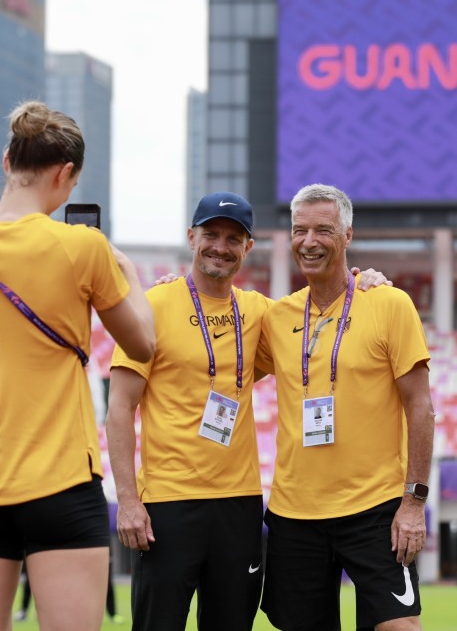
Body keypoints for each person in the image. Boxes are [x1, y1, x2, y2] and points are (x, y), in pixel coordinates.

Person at [0, 100, 155, 631]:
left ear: (7, 161)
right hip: (61, 482)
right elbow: (142, 344)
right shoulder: (84, 247)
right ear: (65, 174)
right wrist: (131, 278)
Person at [107, 191, 388, 631]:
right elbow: (119, 408)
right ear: (191, 237)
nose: (220, 247)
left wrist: (366, 280)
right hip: (167, 502)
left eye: (233, 239)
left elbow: (325, 321)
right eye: (211, 235)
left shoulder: (263, 313)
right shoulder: (154, 305)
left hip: (239, 505)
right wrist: (127, 500)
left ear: (248, 247)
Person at [257, 184, 434, 631]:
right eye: (300, 230)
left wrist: (414, 503)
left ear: (348, 235)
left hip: (375, 509)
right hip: (295, 513)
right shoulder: (276, 317)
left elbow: (421, 407)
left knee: (399, 626)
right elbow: (217, 353)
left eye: (323, 230)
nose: (309, 241)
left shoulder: (389, 303)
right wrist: (177, 289)